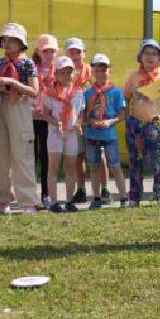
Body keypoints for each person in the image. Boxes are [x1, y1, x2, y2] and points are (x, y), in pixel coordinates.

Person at [0, 22, 41, 214]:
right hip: (2, 106)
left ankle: (28, 201)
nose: (8, 44)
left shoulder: (27, 63)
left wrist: (12, 82)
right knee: (0, 155)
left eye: (13, 40)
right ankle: (2, 199)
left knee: (22, 155)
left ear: (21, 43)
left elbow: (34, 91)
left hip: (19, 107)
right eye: (5, 40)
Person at [123, 39, 160, 205]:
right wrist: (127, 118)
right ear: (140, 56)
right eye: (147, 53)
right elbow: (126, 97)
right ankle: (134, 197)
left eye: (154, 54)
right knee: (135, 162)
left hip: (158, 125)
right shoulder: (133, 77)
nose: (150, 57)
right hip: (136, 125)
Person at [78, 54, 129, 207]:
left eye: (104, 69)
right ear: (92, 71)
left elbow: (122, 114)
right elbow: (83, 117)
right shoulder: (87, 94)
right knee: (93, 166)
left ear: (110, 70)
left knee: (115, 165)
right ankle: (96, 198)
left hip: (109, 134)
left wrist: (109, 121)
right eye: (97, 69)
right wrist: (91, 121)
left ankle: (124, 198)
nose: (100, 72)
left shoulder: (116, 92)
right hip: (92, 134)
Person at [40, 56, 83, 212]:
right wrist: (54, 121)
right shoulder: (49, 92)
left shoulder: (78, 92)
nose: (66, 75)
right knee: (53, 166)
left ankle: (69, 201)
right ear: (56, 74)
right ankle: (54, 202)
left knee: (70, 166)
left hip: (71, 133)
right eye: (62, 72)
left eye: (69, 72)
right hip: (55, 133)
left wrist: (78, 124)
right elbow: (44, 114)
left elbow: (81, 112)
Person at [31, 33, 60, 206]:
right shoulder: (31, 68)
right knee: (31, 156)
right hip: (33, 116)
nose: (49, 55)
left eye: (52, 51)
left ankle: (46, 193)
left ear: (57, 52)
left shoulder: (61, 69)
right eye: (45, 51)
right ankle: (31, 193)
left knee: (46, 156)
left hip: (50, 118)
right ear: (38, 52)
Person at [64, 37, 91, 203]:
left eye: (78, 52)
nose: (74, 55)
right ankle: (81, 189)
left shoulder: (92, 71)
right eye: (71, 52)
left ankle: (103, 190)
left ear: (84, 53)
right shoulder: (62, 71)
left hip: (93, 120)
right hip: (76, 121)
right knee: (78, 156)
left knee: (98, 156)